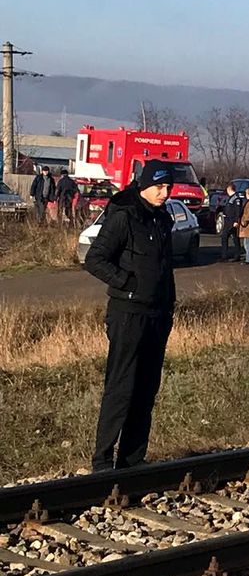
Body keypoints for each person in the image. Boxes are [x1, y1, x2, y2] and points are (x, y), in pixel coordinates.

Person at [84, 160, 176, 472]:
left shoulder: (162, 219)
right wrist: (127, 283)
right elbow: (95, 259)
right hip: (127, 314)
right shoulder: (124, 215)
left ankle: (132, 460)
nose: (165, 193)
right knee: (121, 387)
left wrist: (169, 306)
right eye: (159, 186)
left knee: (147, 388)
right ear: (143, 184)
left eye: (168, 187)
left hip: (157, 315)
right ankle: (102, 460)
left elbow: (165, 268)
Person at [219, 182, 243, 262]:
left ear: (229, 189)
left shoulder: (236, 198)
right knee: (235, 238)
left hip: (231, 221)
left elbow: (238, 210)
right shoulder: (231, 198)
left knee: (225, 237)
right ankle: (237, 254)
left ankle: (224, 255)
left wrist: (236, 220)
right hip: (229, 220)